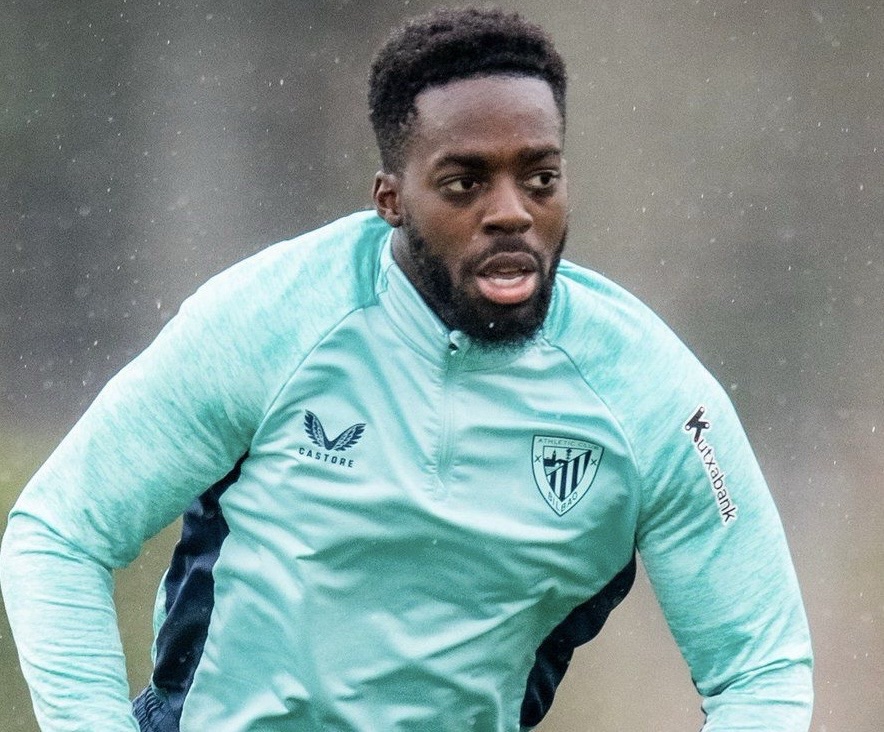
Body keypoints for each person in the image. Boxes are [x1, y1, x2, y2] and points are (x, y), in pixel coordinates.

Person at [1, 7, 813, 731]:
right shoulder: (270, 319)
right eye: (465, 183)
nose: (511, 211)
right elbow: (60, 535)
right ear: (390, 198)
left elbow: (762, 671)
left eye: (540, 178)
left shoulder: (656, 398)